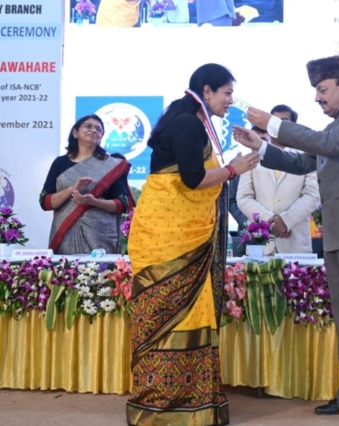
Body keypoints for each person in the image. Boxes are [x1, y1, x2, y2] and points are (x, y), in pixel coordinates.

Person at [232, 55, 339, 425]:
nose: (317, 98)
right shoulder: (334, 130)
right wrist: (260, 145)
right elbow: (300, 163)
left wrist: (273, 123)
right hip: (338, 236)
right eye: (316, 91)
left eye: (323, 89)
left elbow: (327, 144)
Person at [126, 63, 259, 426]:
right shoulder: (187, 123)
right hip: (168, 238)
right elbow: (193, 179)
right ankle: (161, 403)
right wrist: (234, 169)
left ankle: (191, 399)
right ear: (207, 90)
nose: (230, 101)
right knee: (164, 317)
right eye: (227, 93)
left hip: (183, 235)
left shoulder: (192, 121)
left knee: (187, 315)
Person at [39, 115, 132, 254]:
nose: (93, 130)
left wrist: (94, 202)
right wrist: (71, 189)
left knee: (100, 268)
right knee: (66, 268)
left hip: (99, 237)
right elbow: (45, 202)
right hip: (65, 234)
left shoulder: (110, 165)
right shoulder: (60, 163)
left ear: (101, 137)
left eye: (98, 129)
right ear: (75, 132)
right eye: (88, 126)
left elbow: (122, 204)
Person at [237, 104, 320, 255]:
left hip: (295, 244)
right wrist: (271, 221)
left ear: (293, 127)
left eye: (284, 122)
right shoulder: (253, 155)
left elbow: (313, 196)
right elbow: (243, 198)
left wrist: (285, 221)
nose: (277, 125)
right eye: (273, 120)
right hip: (260, 244)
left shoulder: (308, 157)